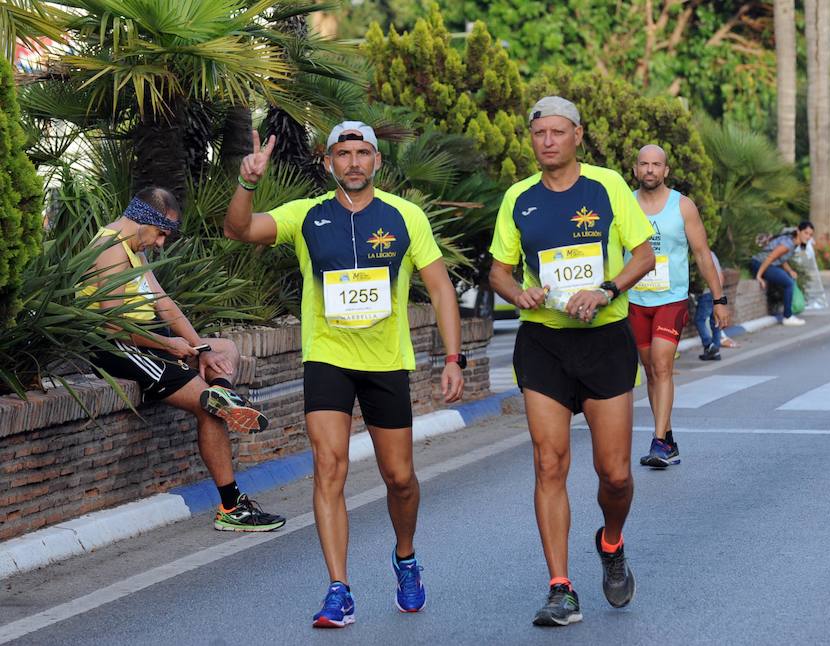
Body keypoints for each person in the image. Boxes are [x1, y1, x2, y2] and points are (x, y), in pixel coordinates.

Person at [223, 122, 464, 628]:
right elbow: (239, 230)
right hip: (328, 357)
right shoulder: (308, 215)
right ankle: (339, 588)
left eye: (362, 153)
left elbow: (441, 288)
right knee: (329, 467)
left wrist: (452, 357)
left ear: (377, 161)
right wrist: (247, 182)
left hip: (385, 363)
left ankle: (405, 558)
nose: (353, 162)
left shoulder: (406, 216)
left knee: (399, 478)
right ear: (328, 162)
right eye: (343, 154)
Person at [489, 96, 655, 627]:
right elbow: (499, 271)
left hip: (604, 339)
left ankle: (610, 541)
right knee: (548, 463)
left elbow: (644, 254)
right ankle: (560, 587)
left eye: (558, 133)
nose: (547, 142)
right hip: (543, 343)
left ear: (577, 136)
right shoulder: (518, 197)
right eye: (539, 134)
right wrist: (520, 295)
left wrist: (606, 289)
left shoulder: (607, 187)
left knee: (616, 474)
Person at [79, 187, 286, 533]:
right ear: (142, 219)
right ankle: (231, 507)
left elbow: (165, 304)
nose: (161, 243)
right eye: (160, 233)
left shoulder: (135, 249)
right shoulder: (110, 249)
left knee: (226, 349)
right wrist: (170, 345)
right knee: (207, 408)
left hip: (148, 340)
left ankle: (223, 393)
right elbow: (114, 324)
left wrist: (201, 350)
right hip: (116, 348)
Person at [628, 144, 731, 469]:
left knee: (661, 365)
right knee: (650, 371)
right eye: (644, 164)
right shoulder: (625, 204)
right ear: (635, 169)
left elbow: (702, 254)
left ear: (666, 171)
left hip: (670, 298)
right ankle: (668, 438)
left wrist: (718, 299)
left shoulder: (682, 206)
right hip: (634, 299)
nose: (650, 170)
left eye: (656, 165)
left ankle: (658, 442)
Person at [750, 221, 815, 326]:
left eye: (810, 235)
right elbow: (770, 257)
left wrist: (790, 270)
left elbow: (780, 258)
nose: (808, 237)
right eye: (806, 233)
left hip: (767, 264)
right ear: (798, 231)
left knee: (788, 278)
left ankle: (787, 314)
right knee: (788, 283)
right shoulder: (788, 244)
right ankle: (788, 317)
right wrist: (759, 275)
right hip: (759, 263)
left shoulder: (793, 243)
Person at [694, 250, 726, 361]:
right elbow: (721, 276)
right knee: (715, 321)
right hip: (717, 292)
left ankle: (709, 345)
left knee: (699, 319)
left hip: (708, 292)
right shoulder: (712, 254)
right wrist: (719, 294)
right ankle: (715, 350)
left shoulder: (700, 255)